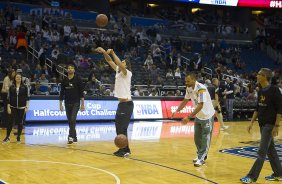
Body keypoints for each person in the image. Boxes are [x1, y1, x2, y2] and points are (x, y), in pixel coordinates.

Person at [240, 68, 282, 183]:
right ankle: (279, 173)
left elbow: (280, 109)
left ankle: (252, 177)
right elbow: (258, 108)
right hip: (262, 124)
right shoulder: (261, 90)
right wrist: (251, 122)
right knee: (271, 150)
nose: (256, 76)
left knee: (261, 152)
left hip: (270, 125)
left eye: (258, 74)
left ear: (264, 76)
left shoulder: (274, 90)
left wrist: (277, 125)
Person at [95, 47, 134, 157]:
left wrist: (112, 52)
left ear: (126, 66)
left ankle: (125, 149)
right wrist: (103, 52)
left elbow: (117, 62)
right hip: (122, 104)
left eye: (123, 62)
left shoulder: (127, 73)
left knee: (122, 128)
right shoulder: (118, 72)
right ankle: (124, 149)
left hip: (127, 104)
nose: (121, 63)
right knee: (118, 127)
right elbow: (109, 61)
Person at [171, 73, 215, 167]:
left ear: (194, 80)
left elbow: (200, 105)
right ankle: (200, 155)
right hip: (198, 115)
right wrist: (177, 110)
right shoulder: (189, 88)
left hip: (207, 115)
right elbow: (185, 100)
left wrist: (188, 116)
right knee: (197, 138)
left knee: (205, 138)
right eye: (185, 81)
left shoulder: (201, 88)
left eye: (188, 81)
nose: (186, 83)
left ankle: (201, 158)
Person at [59, 63, 85, 144]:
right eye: (68, 68)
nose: (70, 69)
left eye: (71, 68)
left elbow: (81, 93)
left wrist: (82, 104)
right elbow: (61, 93)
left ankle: (70, 136)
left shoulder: (78, 79)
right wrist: (60, 104)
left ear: (74, 70)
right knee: (70, 120)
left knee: (73, 119)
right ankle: (75, 136)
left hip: (76, 102)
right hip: (67, 103)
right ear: (67, 70)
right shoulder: (64, 80)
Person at [3, 73, 29, 144]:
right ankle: (7, 137)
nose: (18, 79)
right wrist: (8, 107)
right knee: (10, 122)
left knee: (20, 123)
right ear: (15, 78)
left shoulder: (25, 87)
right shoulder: (11, 87)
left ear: (21, 79)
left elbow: (27, 98)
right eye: (17, 77)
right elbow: (9, 97)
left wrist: (27, 106)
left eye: (19, 78)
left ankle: (18, 137)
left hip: (22, 107)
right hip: (12, 107)